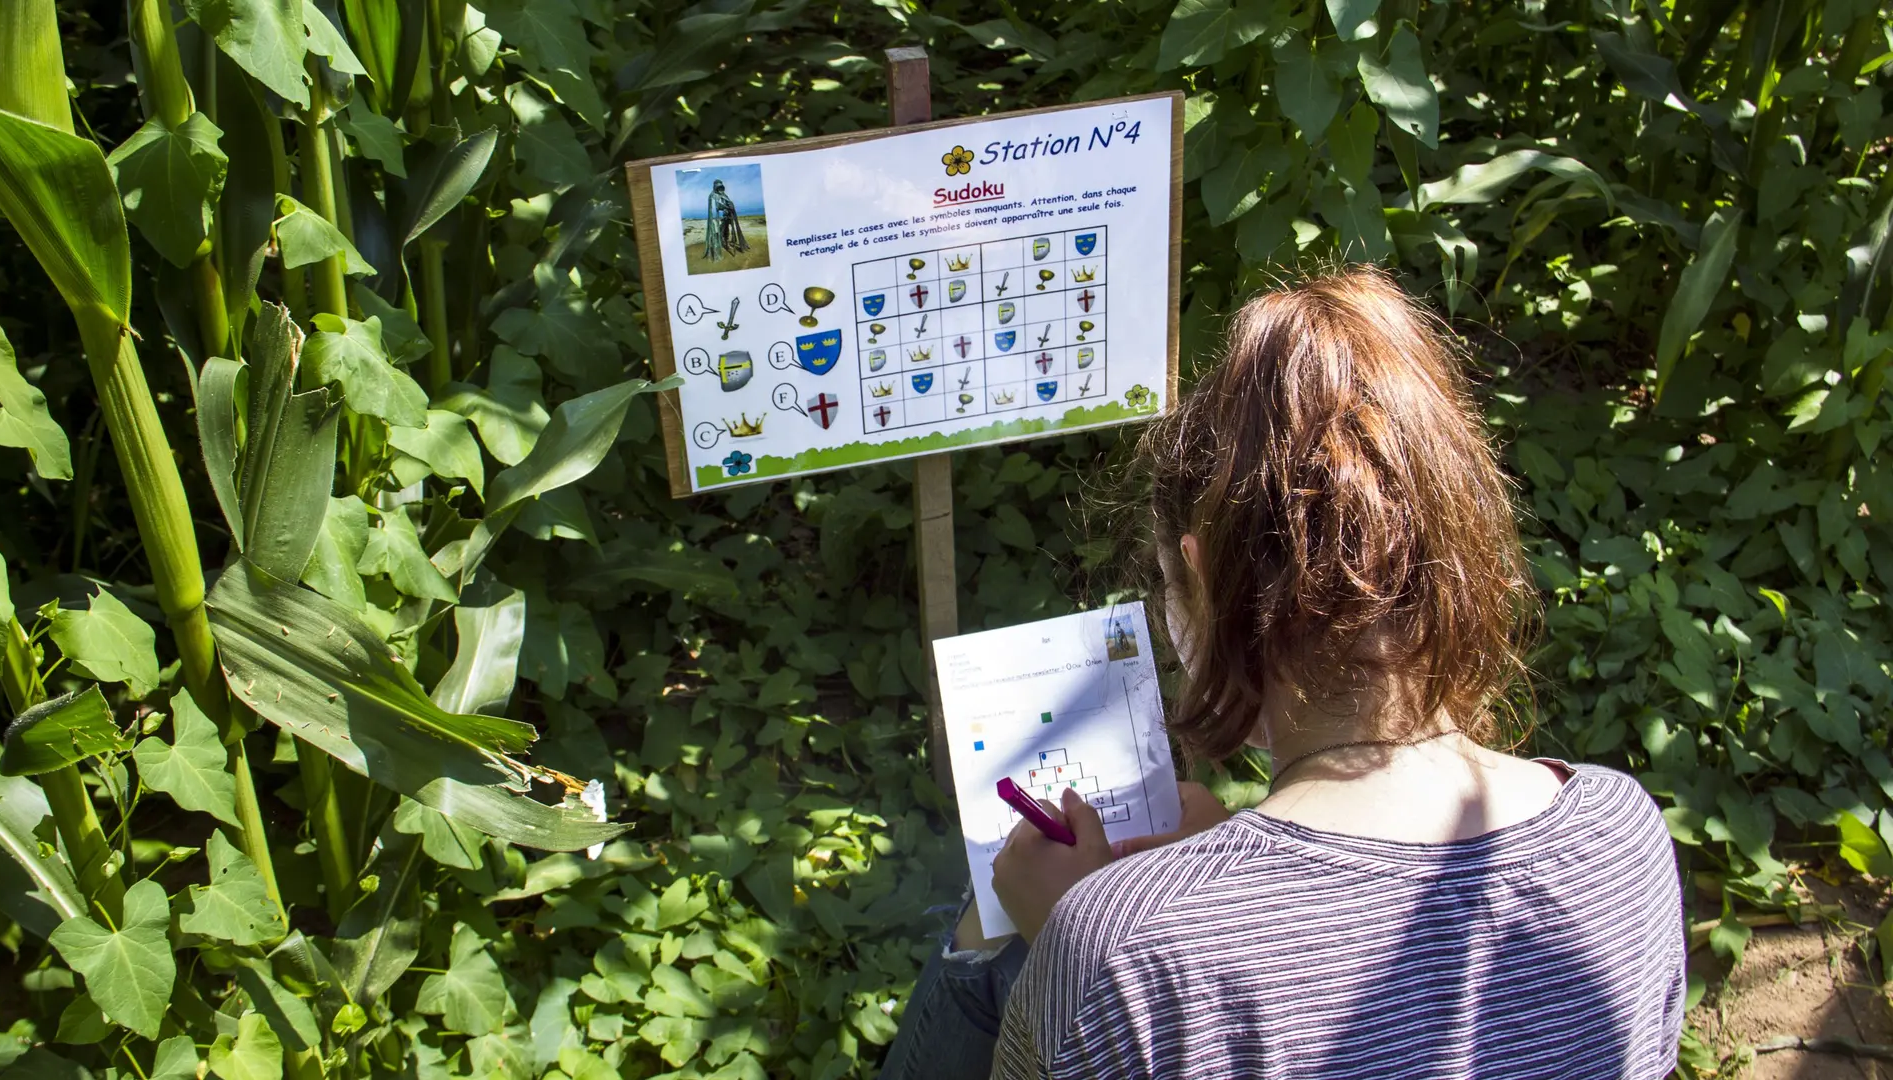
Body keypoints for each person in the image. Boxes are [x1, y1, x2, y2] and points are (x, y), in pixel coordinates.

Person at [879, 267, 1685, 1079]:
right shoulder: (1623, 835)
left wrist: (1071, 937)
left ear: (1200, 571)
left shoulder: (1123, 956)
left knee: (985, 958)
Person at [703, 179, 747, 261]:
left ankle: (726, 243)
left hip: (725, 218)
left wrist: (730, 207)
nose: (720, 189)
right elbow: (714, 207)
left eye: (721, 187)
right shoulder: (712, 196)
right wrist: (723, 207)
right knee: (716, 232)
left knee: (726, 232)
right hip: (716, 220)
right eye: (718, 187)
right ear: (715, 187)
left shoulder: (724, 195)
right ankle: (716, 246)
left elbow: (728, 203)